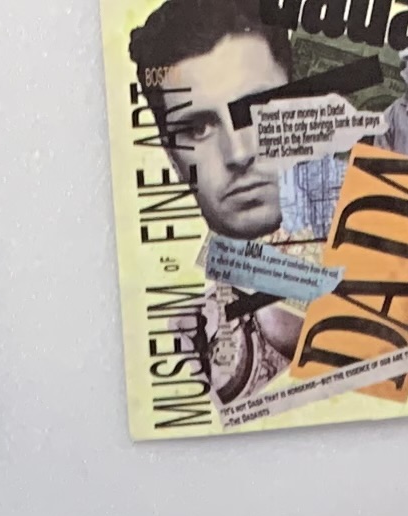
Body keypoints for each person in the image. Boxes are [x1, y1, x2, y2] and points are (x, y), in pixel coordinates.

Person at [129, 0, 308, 404]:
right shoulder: (188, 350)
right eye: (199, 127)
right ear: (172, 159)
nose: (239, 152)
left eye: (258, 109)